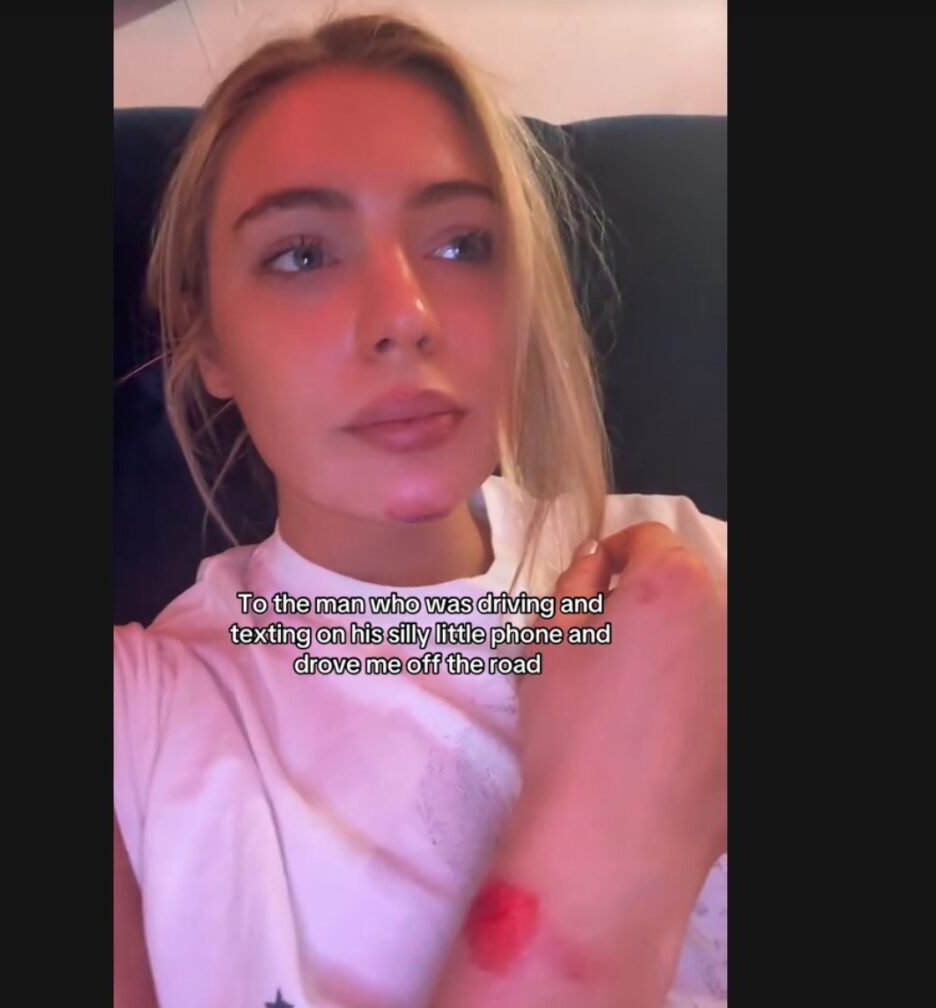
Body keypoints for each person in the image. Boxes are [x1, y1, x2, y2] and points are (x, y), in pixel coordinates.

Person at [113, 12, 727, 1008]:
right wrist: (611, 841)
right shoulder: (136, 727)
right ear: (207, 338)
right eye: (301, 255)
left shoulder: (693, 565)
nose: (405, 314)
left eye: (462, 243)